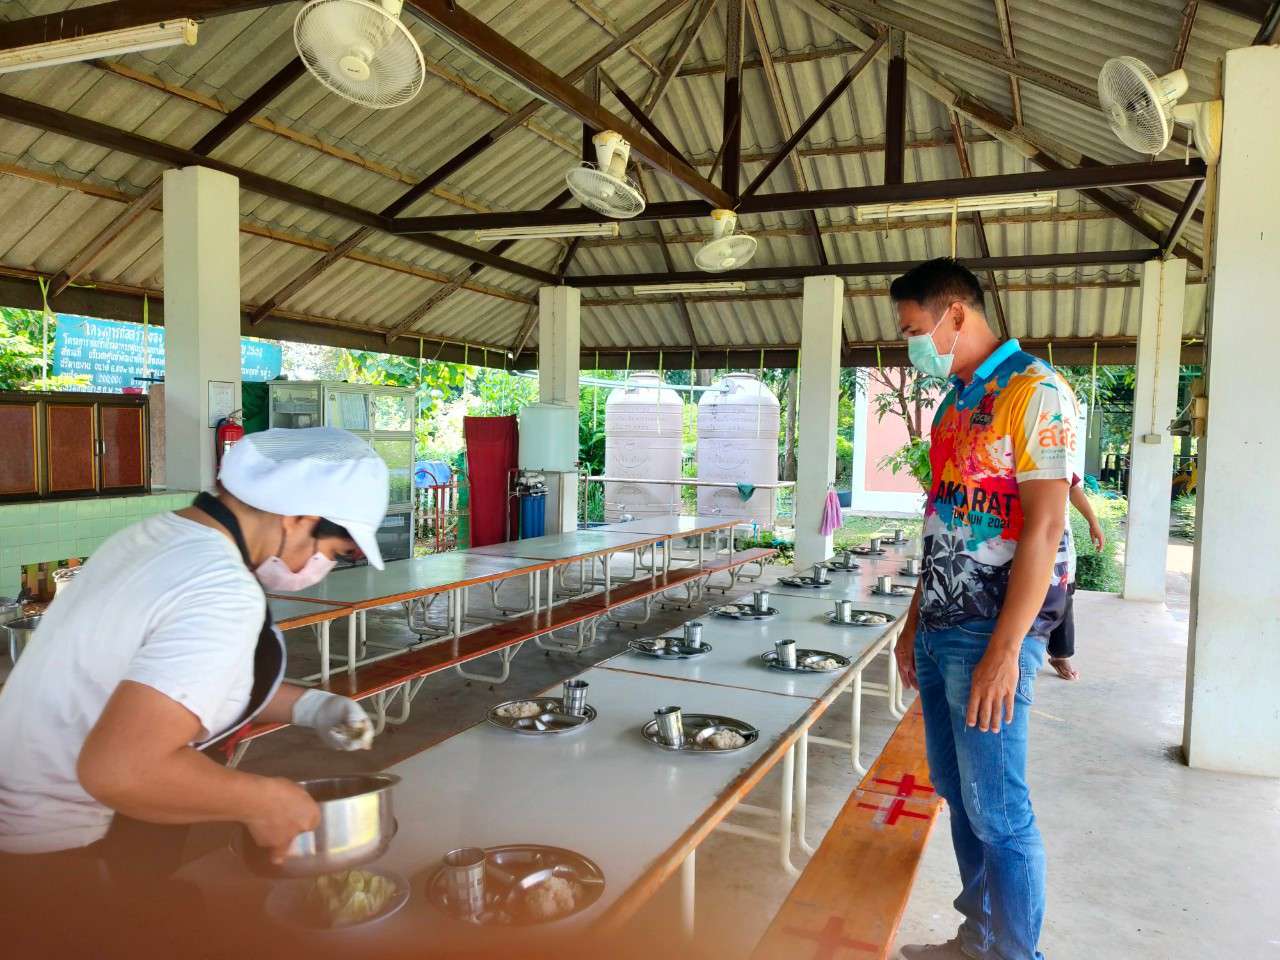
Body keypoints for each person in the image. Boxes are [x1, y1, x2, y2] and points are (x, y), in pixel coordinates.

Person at [0, 427, 389, 949]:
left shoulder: (153, 539)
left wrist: (311, 706)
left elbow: (162, 683)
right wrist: (264, 801)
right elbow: (122, 770)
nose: (320, 569)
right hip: (62, 858)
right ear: (298, 517)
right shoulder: (219, 587)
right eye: (333, 552)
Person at [890, 259, 1079, 960]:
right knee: (958, 791)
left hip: (990, 630)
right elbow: (942, 519)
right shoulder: (954, 402)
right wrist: (914, 623)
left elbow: (1046, 527)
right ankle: (980, 938)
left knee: (998, 809)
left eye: (914, 330)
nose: (910, 344)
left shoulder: (1033, 390)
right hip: (941, 626)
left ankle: (1014, 953)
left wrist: (1006, 650)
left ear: (956, 314)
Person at [1047, 486, 1105, 681]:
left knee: (1063, 598)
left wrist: (1093, 523)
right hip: (1016, 535)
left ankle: (1060, 655)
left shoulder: (1059, 466)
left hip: (1058, 540)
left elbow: (1072, 489)